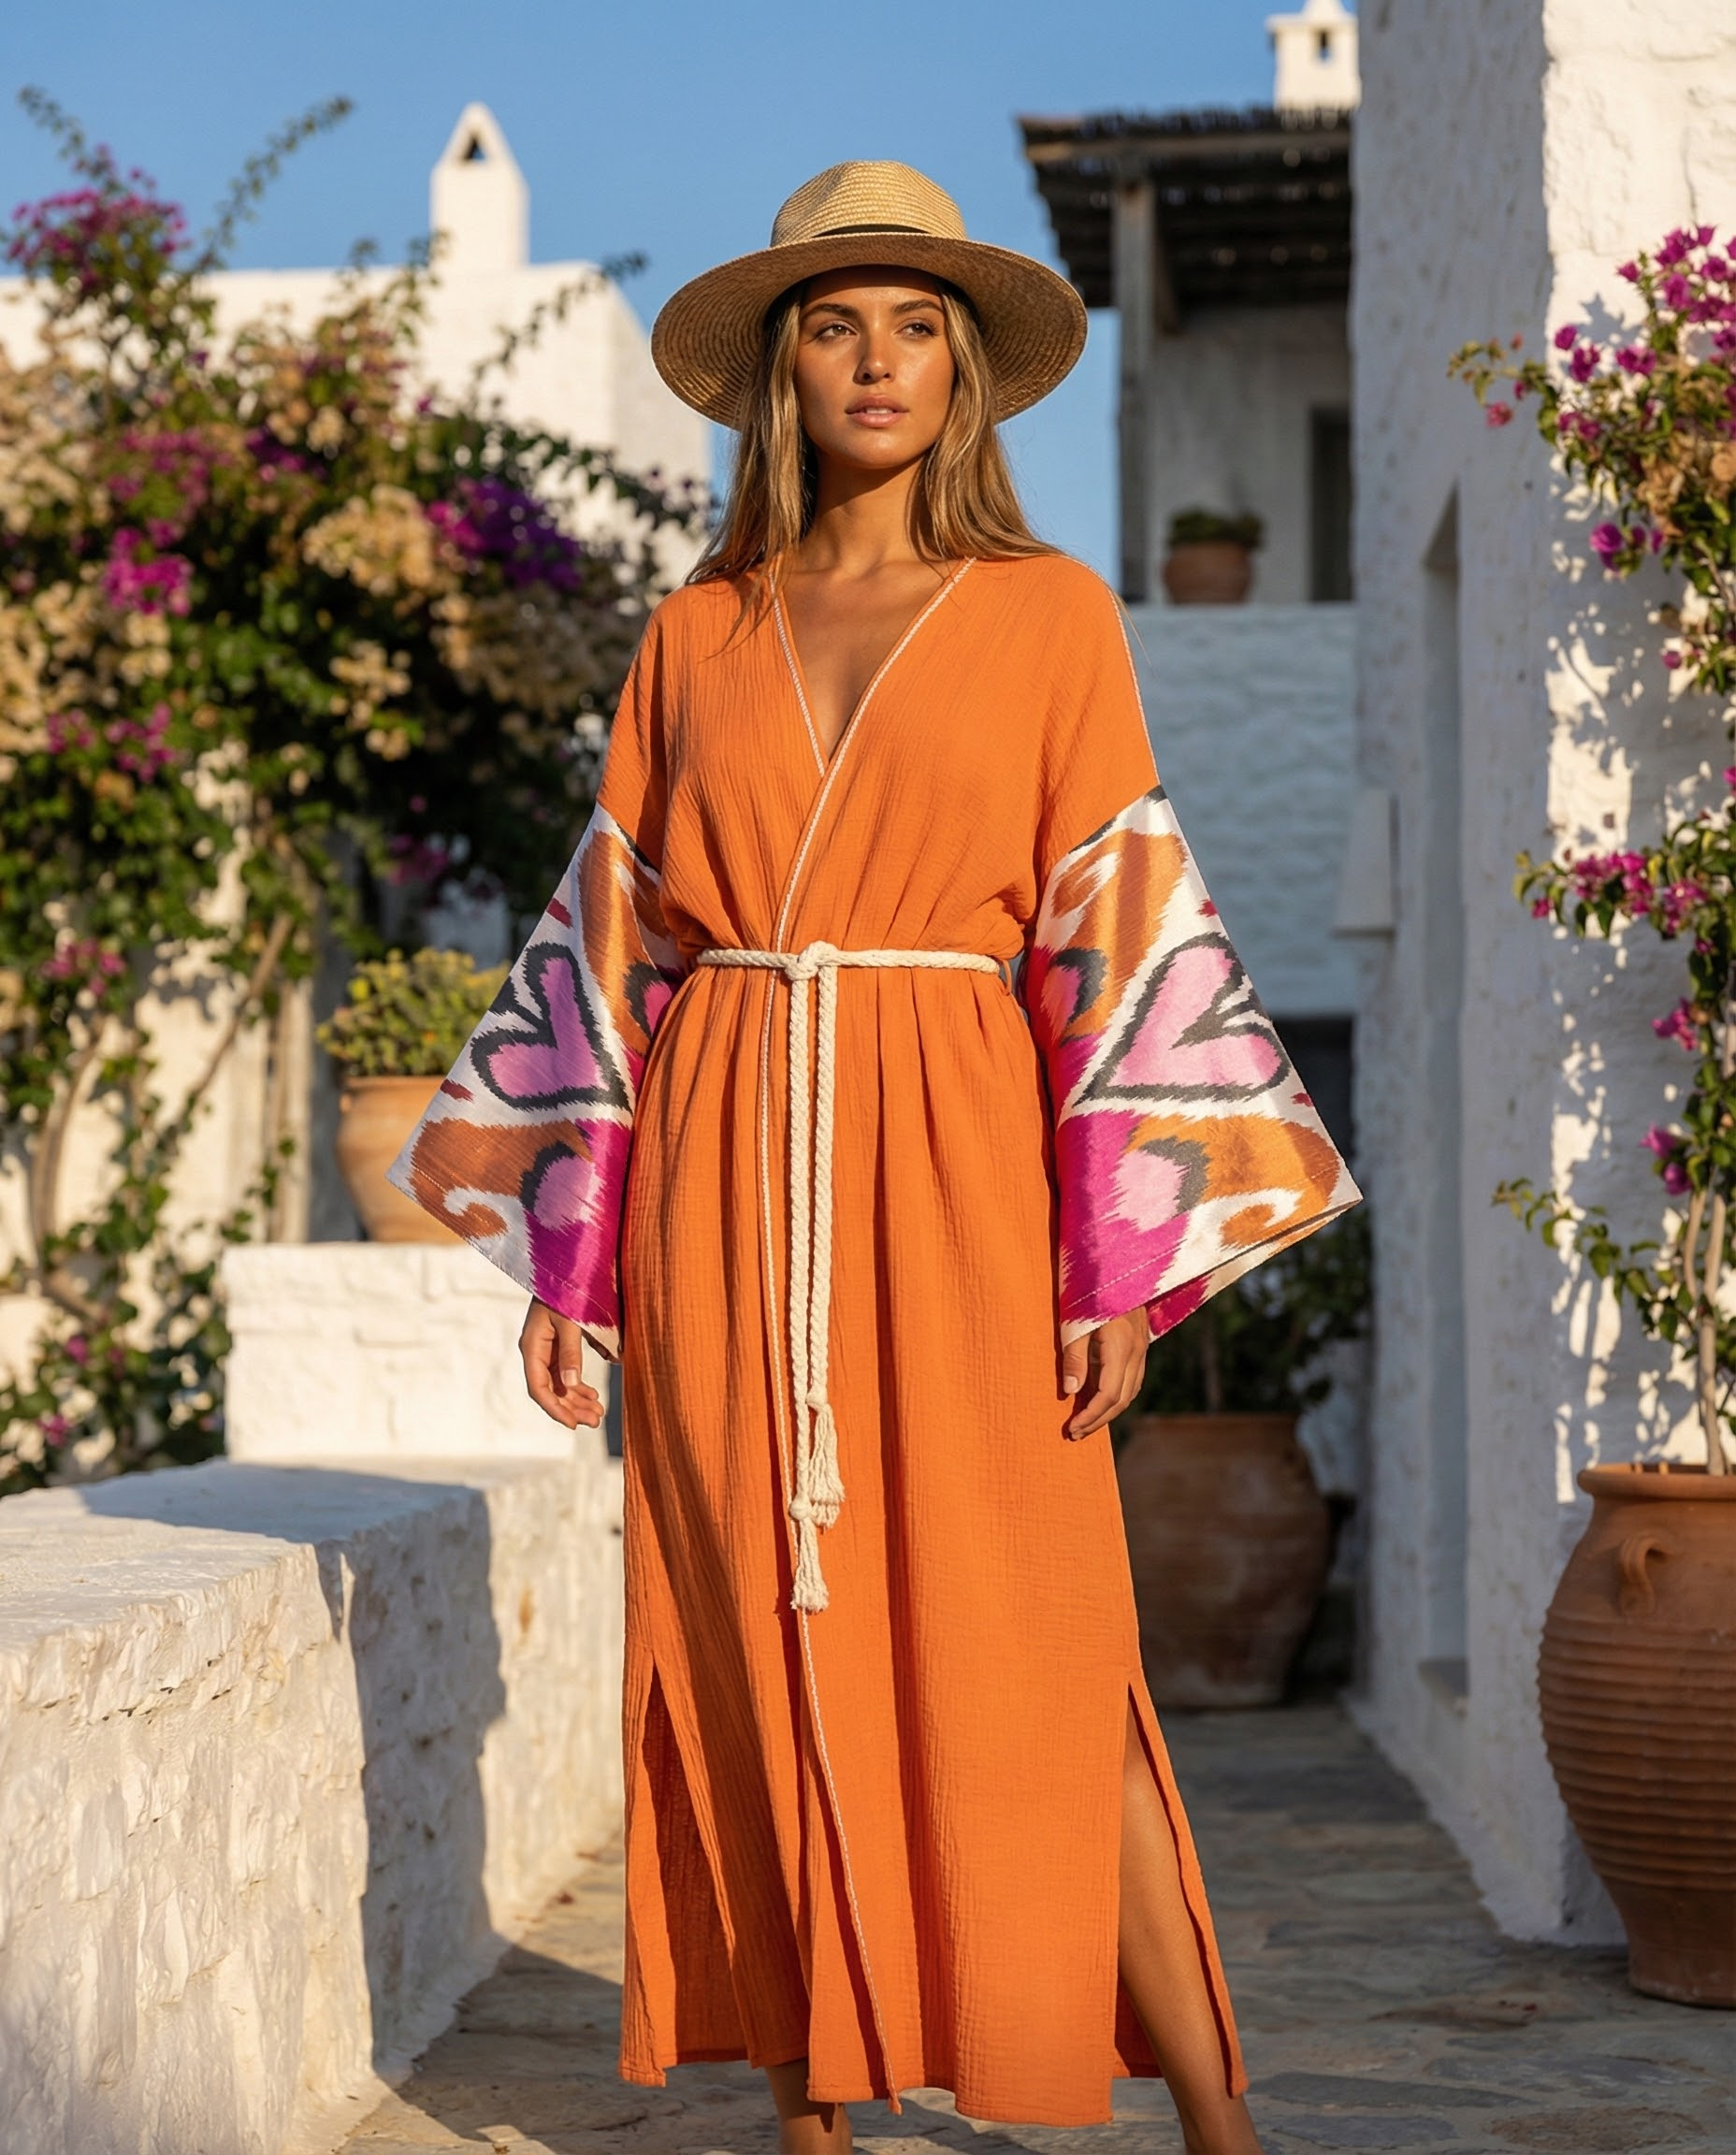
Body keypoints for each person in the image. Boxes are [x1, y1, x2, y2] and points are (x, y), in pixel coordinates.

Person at [391, 162, 1357, 2155]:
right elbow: (611, 947)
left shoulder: (1046, 616)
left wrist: (1120, 1266)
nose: (876, 360)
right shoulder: (692, 635)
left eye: (914, 322)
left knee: (1044, 1649)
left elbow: (1120, 929)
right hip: (730, 1178)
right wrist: (574, 1268)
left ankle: (1214, 2123)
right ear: (777, 364)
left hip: (959, 1173)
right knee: (753, 1634)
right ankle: (812, 2119)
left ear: (965, 369)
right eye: (834, 322)